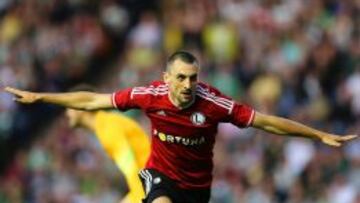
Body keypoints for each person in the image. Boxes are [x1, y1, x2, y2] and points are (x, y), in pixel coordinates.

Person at [5, 51, 358, 203]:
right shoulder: (149, 95)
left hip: (196, 188)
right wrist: (41, 98)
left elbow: (267, 123)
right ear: (166, 78)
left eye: (193, 78)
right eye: (181, 78)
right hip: (158, 178)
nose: (188, 85)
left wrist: (316, 134)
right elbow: (92, 100)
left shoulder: (214, 103)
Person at [64, 85, 150, 203]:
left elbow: (131, 168)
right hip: (150, 182)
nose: (66, 113)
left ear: (80, 105)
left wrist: (141, 198)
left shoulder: (108, 127)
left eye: (68, 107)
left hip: (152, 184)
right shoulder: (106, 124)